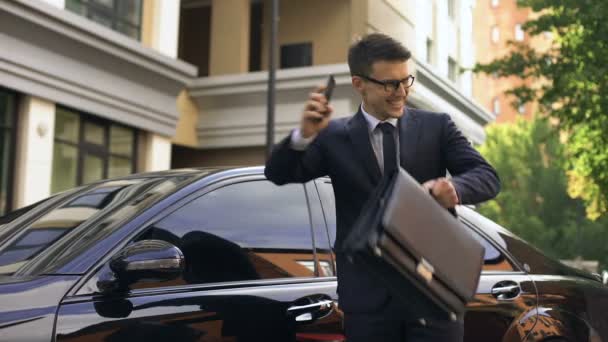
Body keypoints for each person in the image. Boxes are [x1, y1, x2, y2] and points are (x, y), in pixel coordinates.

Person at [265, 33, 500, 342]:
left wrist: (454, 188)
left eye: (406, 81)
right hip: (368, 303)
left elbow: (486, 176)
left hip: (433, 297)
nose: (401, 92)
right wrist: (303, 136)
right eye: (390, 84)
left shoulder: (437, 127)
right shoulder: (333, 136)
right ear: (359, 83)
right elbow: (279, 173)